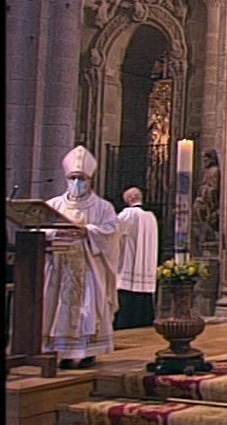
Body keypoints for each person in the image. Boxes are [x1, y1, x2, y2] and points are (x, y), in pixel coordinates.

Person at [44, 146, 120, 369]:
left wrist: (87, 231)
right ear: (66, 179)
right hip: (59, 267)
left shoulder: (103, 207)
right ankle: (59, 352)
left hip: (88, 267)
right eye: (73, 178)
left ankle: (88, 352)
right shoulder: (53, 205)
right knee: (57, 307)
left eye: (81, 178)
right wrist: (55, 233)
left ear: (90, 180)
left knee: (88, 308)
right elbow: (38, 229)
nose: (77, 182)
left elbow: (112, 232)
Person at [113, 187, 158, 329]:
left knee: (127, 294)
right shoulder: (151, 217)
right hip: (146, 265)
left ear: (129, 199)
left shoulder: (128, 214)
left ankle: (124, 324)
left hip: (130, 262)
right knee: (143, 296)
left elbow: (112, 231)